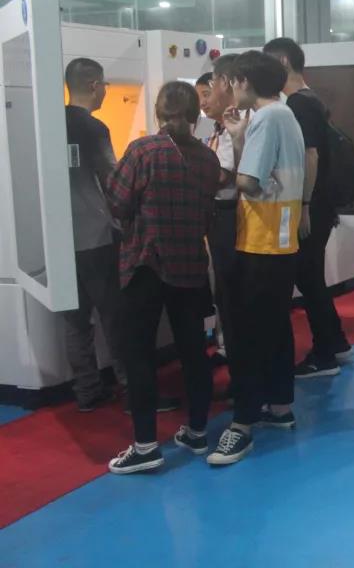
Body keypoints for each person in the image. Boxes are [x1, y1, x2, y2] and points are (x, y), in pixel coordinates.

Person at [105, 82, 219, 474]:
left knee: (138, 353)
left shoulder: (143, 150)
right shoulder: (208, 158)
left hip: (146, 264)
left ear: (158, 113)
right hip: (190, 264)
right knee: (193, 351)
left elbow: (117, 202)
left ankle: (145, 446)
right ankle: (198, 431)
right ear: (195, 114)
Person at [208, 50, 306, 466]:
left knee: (246, 334)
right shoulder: (284, 114)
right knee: (275, 326)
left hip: (260, 239)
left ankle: (243, 423)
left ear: (243, 82)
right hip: (278, 238)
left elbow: (250, 181)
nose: (228, 89)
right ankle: (279, 405)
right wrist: (237, 139)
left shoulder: (267, 118)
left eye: (230, 82)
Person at [263, 38, 350, 379]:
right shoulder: (309, 100)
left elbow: (310, 156)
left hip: (313, 204)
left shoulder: (300, 104)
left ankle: (325, 354)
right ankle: (335, 342)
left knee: (308, 277)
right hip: (318, 202)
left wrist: (304, 205)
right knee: (311, 276)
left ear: (283, 62)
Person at [61, 58, 128, 411]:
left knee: (75, 321)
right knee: (114, 316)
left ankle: (87, 391)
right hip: (97, 235)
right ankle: (131, 388)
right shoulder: (94, 128)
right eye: (104, 85)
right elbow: (112, 180)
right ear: (93, 85)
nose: (105, 91)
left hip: (60, 239)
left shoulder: (49, 123)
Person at [202, 54, 241, 369]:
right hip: (221, 214)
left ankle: (234, 349)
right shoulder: (217, 130)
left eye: (209, 89)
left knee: (229, 285)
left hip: (228, 214)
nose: (205, 100)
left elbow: (222, 174)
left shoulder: (232, 128)